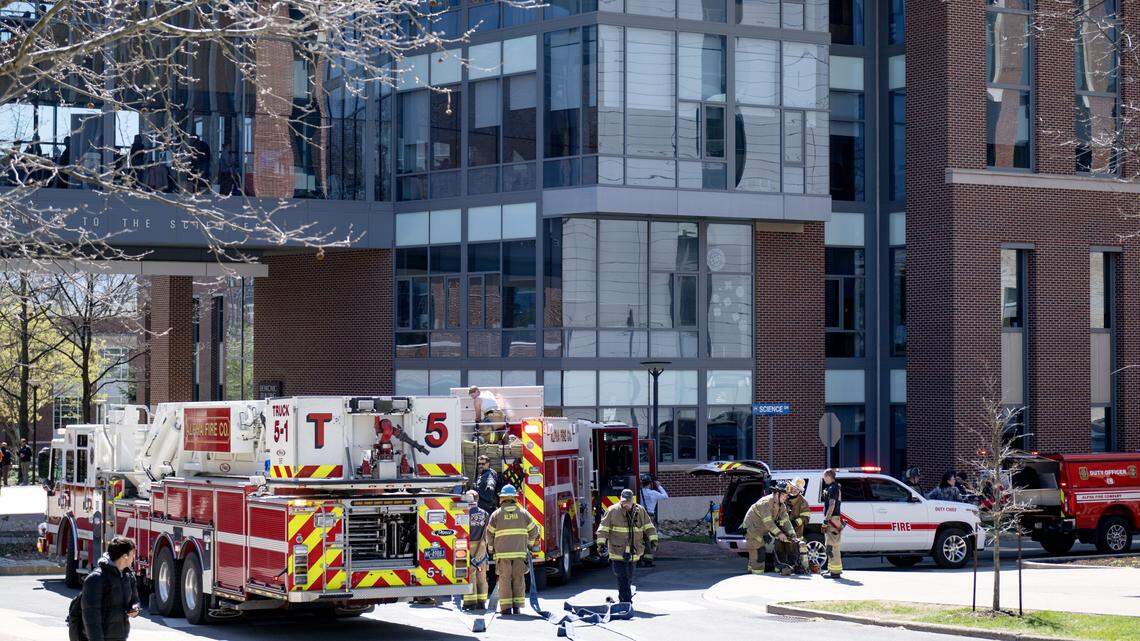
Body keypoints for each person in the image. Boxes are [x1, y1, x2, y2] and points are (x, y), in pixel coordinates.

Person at [596, 488, 657, 604]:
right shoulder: (612, 511)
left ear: (632, 501)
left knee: (629, 577)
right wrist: (601, 543)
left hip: (634, 552)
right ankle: (626, 601)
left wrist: (654, 540)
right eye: (623, 502)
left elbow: (649, 527)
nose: (625, 505)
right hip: (617, 551)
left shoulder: (640, 511)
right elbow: (603, 529)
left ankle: (624, 597)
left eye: (627, 502)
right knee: (622, 576)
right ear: (620, 500)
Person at [486, 484, 539, 615]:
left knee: (504, 580)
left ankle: (506, 608)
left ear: (502, 498)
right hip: (520, 553)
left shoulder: (496, 514)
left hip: (502, 555)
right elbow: (534, 531)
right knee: (518, 579)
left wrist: (491, 549)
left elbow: (489, 534)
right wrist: (529, 545)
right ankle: (517, 607)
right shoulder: (523, 513)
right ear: (515, 497)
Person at [79, 536, 140, 641]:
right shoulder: (96, 579)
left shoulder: (128, 576)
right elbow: (91, 618)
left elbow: (135, 599)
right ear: (125, 556)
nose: (134, 557)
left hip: (120, 636)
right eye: (132, 554)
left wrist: (135, 608)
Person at [742, 481, 796, 575]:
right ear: (776, 493)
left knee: (755, 555)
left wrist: (792, 534)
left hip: (762, 529)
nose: (785, 497)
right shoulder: (765, 503)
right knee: (759, 553)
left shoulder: (781, 505)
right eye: (783, 495)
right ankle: (757, 577)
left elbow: (786, 520)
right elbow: (768, 522)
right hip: (752, 529)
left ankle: (751, 573)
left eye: (786, 495)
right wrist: (779, 534)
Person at [463, 490, 491, 611]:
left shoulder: (464, 513)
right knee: (481, 574)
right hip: (482, 547)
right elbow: (488, 532)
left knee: (470, 574)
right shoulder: (485, 514)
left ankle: (470, 603)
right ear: (477, 499)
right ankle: (482, 602)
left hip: (467, 546)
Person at [780, 480, 815, 574]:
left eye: (797, 489)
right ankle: (781, 567)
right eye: (793, 488)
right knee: (781, 548)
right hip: (783, 530)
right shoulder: (785, 498)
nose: (794, 490)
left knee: (795, 549)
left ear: (800, 491)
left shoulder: (803, 501)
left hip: (797, 530)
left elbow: (806, 516)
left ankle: (796, 567)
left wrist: (795, 522)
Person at [637, 474, 668, 567]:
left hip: (639, 516)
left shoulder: (638, 492)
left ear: (641, 484)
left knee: (639, 539)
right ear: (650, 484)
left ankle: (638, 561)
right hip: (650, 517)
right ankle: (648, 561)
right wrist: (659, 486)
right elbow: (665, 496)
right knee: (648, 539)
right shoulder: (653, 493)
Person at [820, 469, 843, 579]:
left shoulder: (833, 488)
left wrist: (826, 519)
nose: (823, 478)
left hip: (832, 520)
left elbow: (832, 505)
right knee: (831, 545)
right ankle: (832, 569)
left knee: (831, 546)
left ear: (828, 476)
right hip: (834, 520)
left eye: (824, 476)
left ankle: (835, 572)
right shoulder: (834, 487)